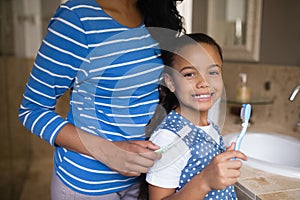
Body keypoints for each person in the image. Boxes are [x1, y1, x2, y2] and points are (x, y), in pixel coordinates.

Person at [18, 0, 185, 199]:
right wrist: (108, 152)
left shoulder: (154, 12)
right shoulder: (78, 17)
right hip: (86, 185)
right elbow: (32, 110)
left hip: (141, 180)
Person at [145, 33, 247, 200]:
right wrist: (205, 181)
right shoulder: (169, 139)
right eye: (190, 74)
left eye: (213, 72)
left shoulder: (211, 127)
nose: (203, 82)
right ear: (170, 82)